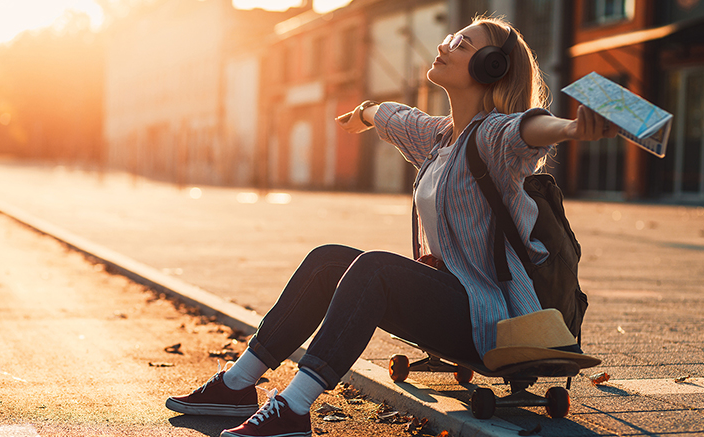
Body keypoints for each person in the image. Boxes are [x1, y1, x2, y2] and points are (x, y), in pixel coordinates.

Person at [165, 15, 616, 437]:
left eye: (462, 44)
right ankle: (237, 384)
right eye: (450, 37)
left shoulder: (494, 136)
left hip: (493, 322)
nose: (445, 44)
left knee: (375, 268)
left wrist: (574, 129)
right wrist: (362, 114)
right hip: (454, 302)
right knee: (328, 260)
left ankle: (294, 408)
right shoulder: (441, 138)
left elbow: (529, 128)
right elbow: (395, 117)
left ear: (490, 66)